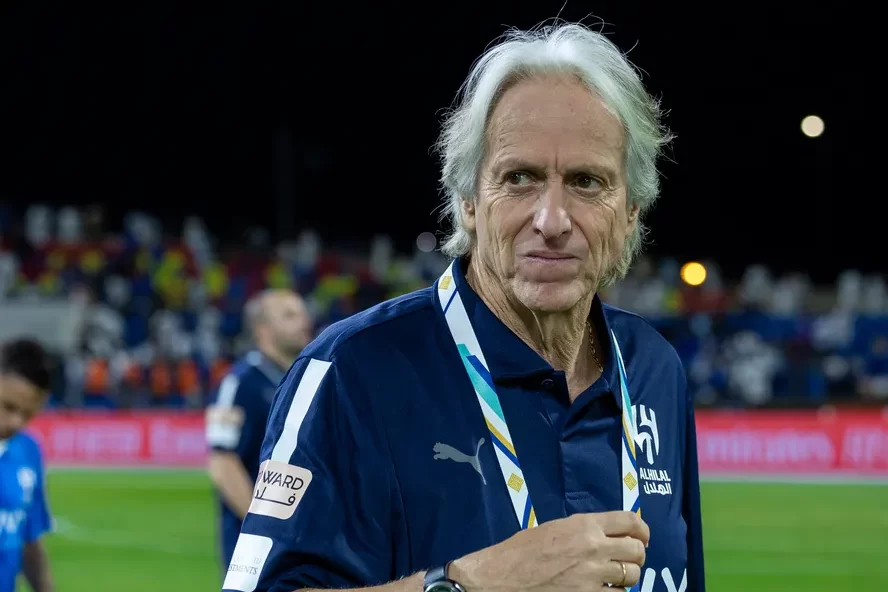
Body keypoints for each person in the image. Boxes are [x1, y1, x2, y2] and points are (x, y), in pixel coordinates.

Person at [225, 22, 704, 592]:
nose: (552, 220)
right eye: (519, 178)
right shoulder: (350, 374)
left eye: (586, 181)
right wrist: (465, 585)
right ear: (468, 200)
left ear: (630, 212)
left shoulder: (653, 368)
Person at [206, 289, 313, 572]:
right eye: (289, 315)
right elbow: (222, 464)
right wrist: (265, 528)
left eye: (302, 313)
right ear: (262, 329)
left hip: (307, 539)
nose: (304, 322)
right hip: (260, 548)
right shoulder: (239, 383)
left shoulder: (308, 379)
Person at [0, 339, 54, 592]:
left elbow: (30, 542)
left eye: (27, 414)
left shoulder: (27, 450)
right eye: (8, 407)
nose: (15, 423)